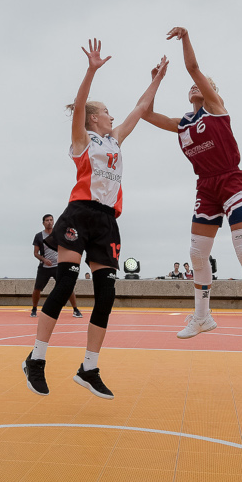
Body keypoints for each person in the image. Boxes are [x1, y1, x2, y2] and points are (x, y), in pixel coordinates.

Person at [22, 39, 168, 400]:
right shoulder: (82, 139)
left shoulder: (115, 141)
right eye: (106, 112)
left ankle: (89, 367)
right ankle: (36, 359)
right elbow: (78, 111)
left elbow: (140, 108)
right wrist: (92, 70)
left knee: (106, 294)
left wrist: (158, 79)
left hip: (107, 222)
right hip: (80, 214)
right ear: (93, 118)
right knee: (66, 282)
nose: (113, 117)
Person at [142, 27, 242, 349]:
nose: (192, 86)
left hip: (231, 180)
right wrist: (155, 80)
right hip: (205, 187)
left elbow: (192, 68)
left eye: (199, 85)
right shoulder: (183, 123)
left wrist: (185, 37)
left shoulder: (216, 108)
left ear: (210, 90)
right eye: (190, 87)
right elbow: (145, 113)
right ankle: (203, 317)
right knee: (196, 254)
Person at [31, 214, 82, 318]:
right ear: (43, 223)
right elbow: (35, 253)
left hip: (58, 266)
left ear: (53, 221)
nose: (49, 222)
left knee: (68, 287)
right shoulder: (39, 236)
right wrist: (44, 260)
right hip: (44, 267)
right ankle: (34, 308)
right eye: (47, 220)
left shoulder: (59, 233)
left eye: (51, 220)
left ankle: (75, 309)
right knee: (37, 289)